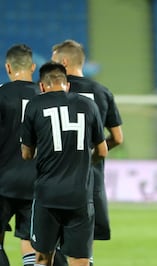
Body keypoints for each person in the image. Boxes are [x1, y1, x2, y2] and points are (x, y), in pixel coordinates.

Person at [20, 62, 108, 266]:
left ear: (42, 86)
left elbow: (26, 153)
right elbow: (102, 150)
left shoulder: (34, 105)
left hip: (47, 195)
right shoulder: (88, 105)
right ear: (67, 85)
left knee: (42, 257)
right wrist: (83, 161)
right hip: (80, 196)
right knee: (80, 260)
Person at [51, 39, 123, 266]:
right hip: (90, 181)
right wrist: (90, 154)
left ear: (63, 62)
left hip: (55, 179)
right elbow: (118, 138)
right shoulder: (102, 92)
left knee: (51, 248)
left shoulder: (48, 90)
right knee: (82, 252)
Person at [0, 44, 40, 266]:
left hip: (3, 181)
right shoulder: (45, 97)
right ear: (32, 67)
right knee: (29, 241)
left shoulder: (1, 94)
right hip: (35, 183)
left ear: (8, 67)